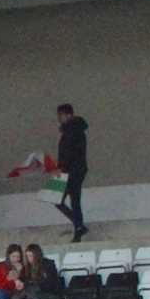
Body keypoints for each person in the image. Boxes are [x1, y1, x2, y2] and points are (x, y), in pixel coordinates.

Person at [53, 103, 89, 240]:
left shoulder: (71, 131)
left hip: (72, 170)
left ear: (68, 115)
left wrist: (61, 167)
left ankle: (79, 227)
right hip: (73, 169)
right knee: (70, 199)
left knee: (67, 199)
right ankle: (79, 225)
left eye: (60, 115)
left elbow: (69, 152)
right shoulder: (74, 130)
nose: (59, 118)